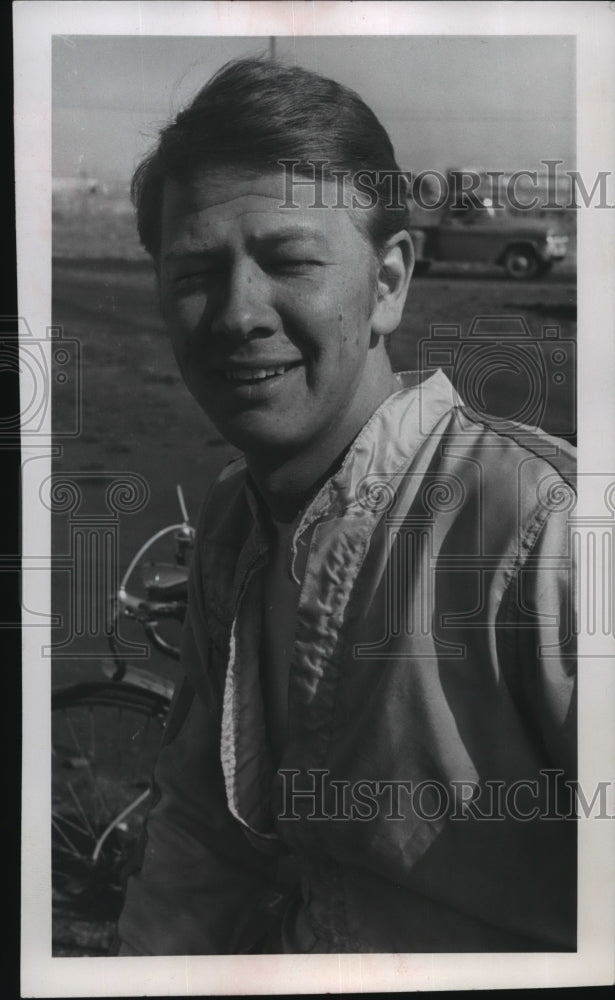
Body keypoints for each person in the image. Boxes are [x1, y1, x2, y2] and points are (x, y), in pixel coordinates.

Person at [118, 57, 576, 955]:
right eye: (194, 273)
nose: (237, 313)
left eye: (289, 260)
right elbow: (201, 842)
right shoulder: (232, 521)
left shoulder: (545, 531)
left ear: (389, 282)